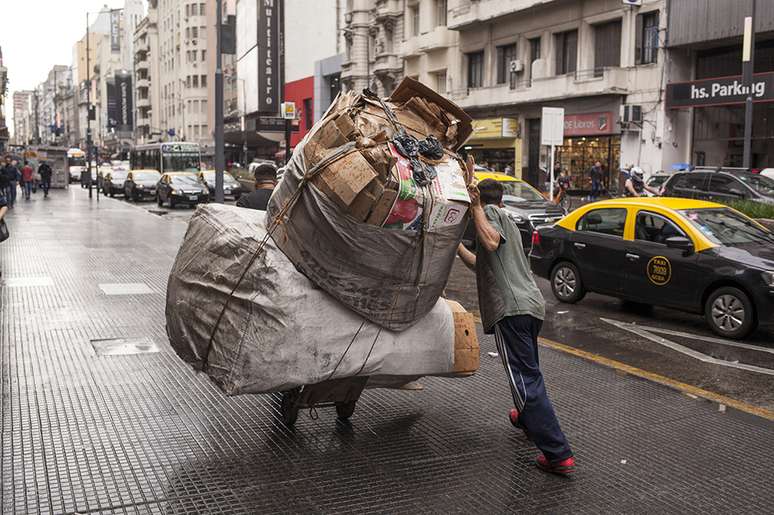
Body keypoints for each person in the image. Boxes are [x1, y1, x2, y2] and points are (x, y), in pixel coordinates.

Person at [456, 168, 575, 476]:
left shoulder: (490, 216)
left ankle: (557, 453)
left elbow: (491, 241)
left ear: (484, 201)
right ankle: (526, 418)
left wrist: (476, 207)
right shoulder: (507, 217)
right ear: (503, 198)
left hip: (512, 310)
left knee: (524, 379)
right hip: (531, 307)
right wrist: (457, 247)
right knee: (528, 373)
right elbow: (483, 260)